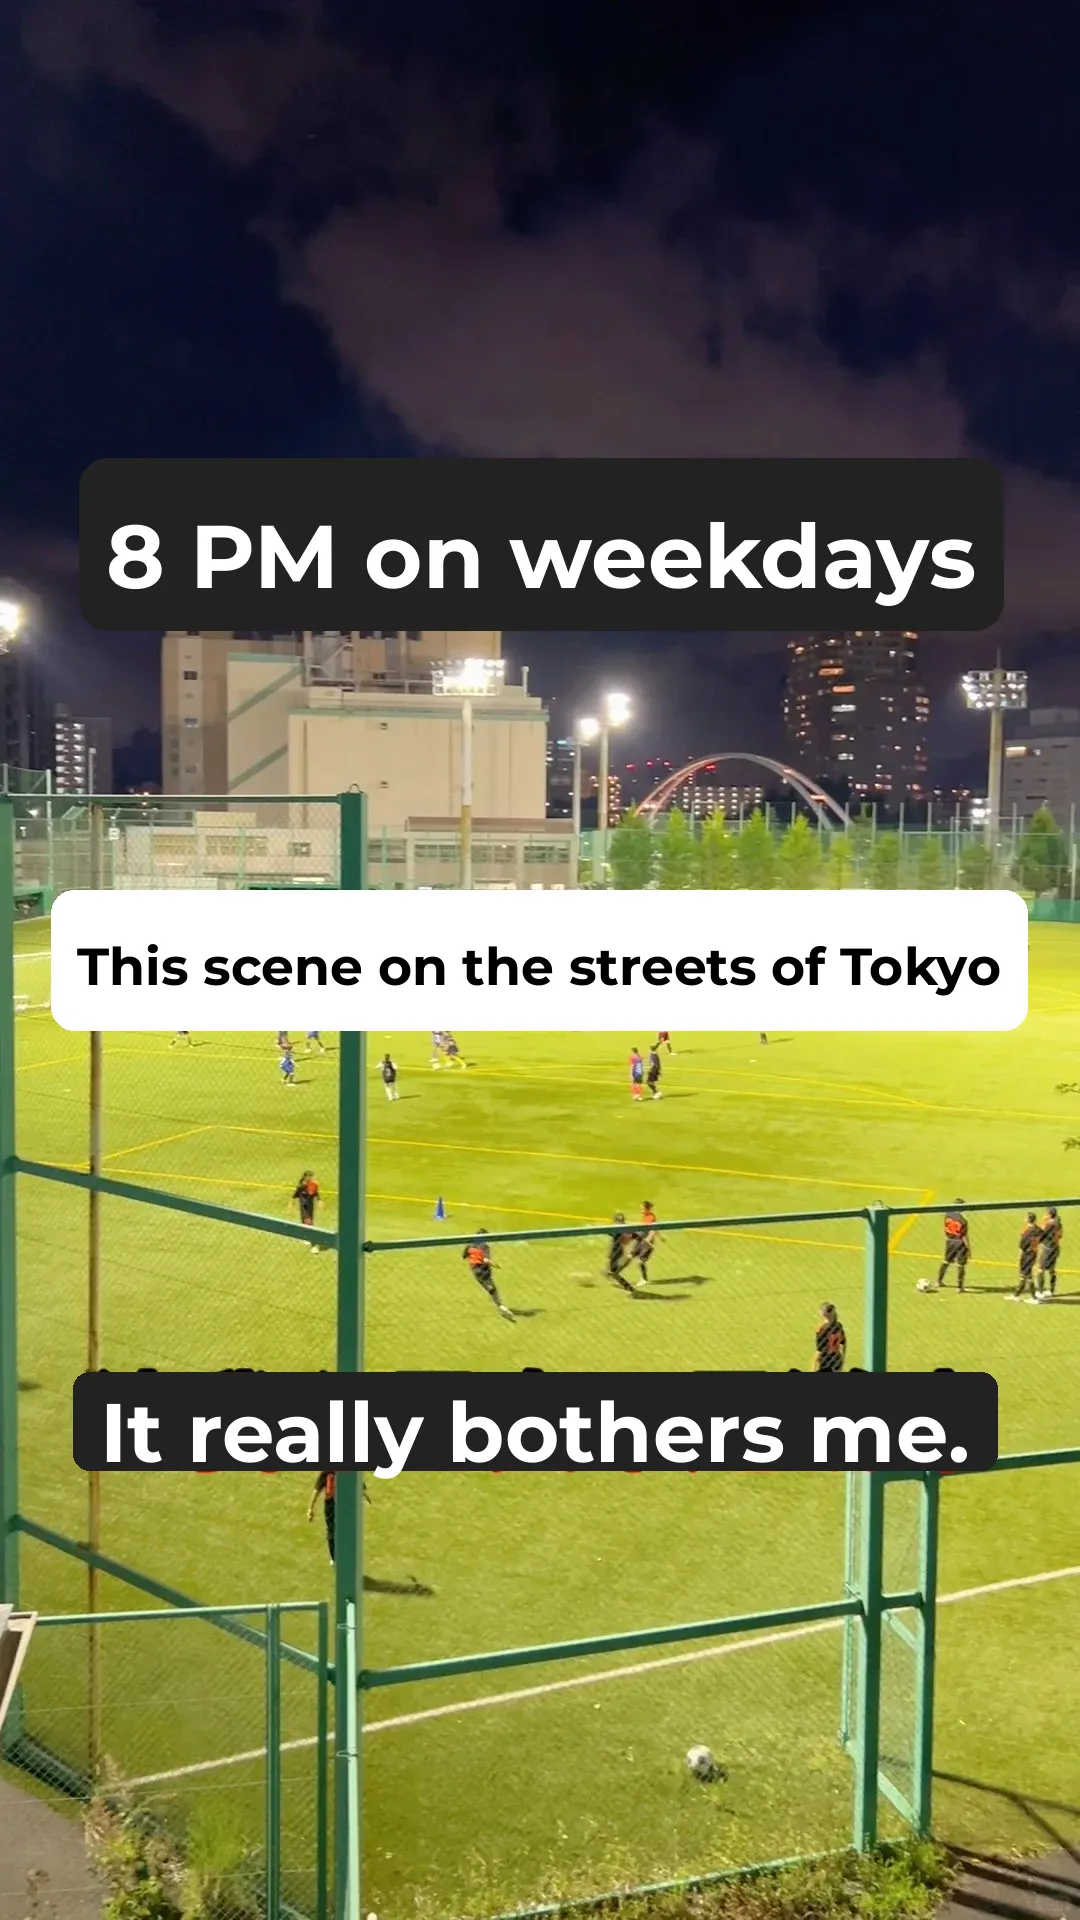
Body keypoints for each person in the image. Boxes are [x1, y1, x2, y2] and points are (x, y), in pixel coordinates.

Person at [308, 1472, 370, 1563]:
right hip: (333, 1503)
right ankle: (335, 1557)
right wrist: (310, 1508)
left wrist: (364, 1495)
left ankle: (340, 1555)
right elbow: (317, 1490)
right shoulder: (327, 1473)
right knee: (332, 1531)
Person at [463, 1232, 515, 1320]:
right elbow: (486, 1260)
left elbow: (464, 1256)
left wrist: (472, 1256)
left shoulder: (469, 1244)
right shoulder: (484, 1246)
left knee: (489, 1288)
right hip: (484, 1269)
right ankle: (500, 1305)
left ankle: (498, 1303)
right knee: (492, 1288)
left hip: (475, 1270)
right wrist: (496, 1265)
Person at [936, 1202, 970, 1291]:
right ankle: (960, 1287)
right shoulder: (963, 1220)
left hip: (950, 1241)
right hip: (960, 1243)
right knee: (961, 1265)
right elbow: (964, 1236)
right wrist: (968, 1248)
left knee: (946, 1261)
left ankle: (938, 1281)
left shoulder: (947, 1215)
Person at [1034, 1206, 1063, 1301]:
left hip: (1047, 1249)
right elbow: (1060, 1235)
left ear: (1049, 1214)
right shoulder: (1058, 1223)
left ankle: (1040, 1291)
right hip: (1056, 1248)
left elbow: (1039, 1234)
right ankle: (1051, 1290)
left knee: (1040, 1269)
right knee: (1052, 1270)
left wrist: (1042, 1222)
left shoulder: (1048, 1225)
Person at [607, 1213, 639, 1293]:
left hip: (616, 1252)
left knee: (614, 1272)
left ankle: (629, 1287)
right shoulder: (624, 1229)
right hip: (617, 1251)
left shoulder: (618, 1230)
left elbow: (609, 1233)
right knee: (613, 1271)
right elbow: (635, 1236)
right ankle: (612, 1275)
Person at [1013, 1212, 1041, 1300]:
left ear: (1028, 1220)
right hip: (1034, 1254)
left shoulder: (1026, 1232)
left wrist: (1018, 1259)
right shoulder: (1038, 1230)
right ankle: (1017, 1295)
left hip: (1027, 1255)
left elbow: (1022, 1247)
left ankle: (1033, 1297)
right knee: (1026, 1275)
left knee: (1026, 1276)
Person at [293, 1170, 321, 1251]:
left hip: (310, 1206)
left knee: (308, 1221)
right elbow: (295, 1195)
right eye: (311, 1176)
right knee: (308, 1221)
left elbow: (315, 1193)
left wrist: (319, 1200)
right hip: (304, 1207)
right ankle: (310, 1240)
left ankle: (306, 1236)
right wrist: (291, 1204)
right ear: (306, 1177)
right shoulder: (301, 1186)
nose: (313, 1178)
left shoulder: (312, 1185)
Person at [815, 1302, 846, 1371]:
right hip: (836, 1360)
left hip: (826, 1361)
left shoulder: (821, 1329)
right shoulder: (838, 1326)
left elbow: (819, 1351)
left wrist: (814, 1368)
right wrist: (842, 1359)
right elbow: (843, 1343)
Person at [635, 1201, 659, 1280]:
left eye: (642, 1209)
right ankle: (644, 1278)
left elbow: (654, 1229)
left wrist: (648, 1240)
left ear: (648, 1209)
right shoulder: (646, 1216)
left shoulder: (650, 1218)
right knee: (635, 1257)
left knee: (640, 1261)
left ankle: (644, 1279)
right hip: (643, 1241)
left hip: (647, 1243)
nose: (641, 1211)